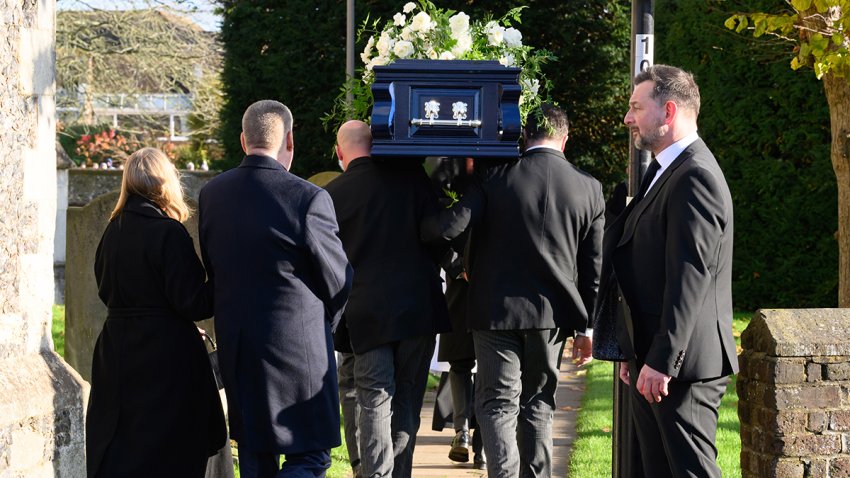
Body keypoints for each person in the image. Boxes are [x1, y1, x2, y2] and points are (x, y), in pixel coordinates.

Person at [421, 104, 604, 478]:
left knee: (497, 403)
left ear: (524, 137)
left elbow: (448, 228)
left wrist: (432, 235)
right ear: (564, 138)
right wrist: (587, 329)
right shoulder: (589, 188)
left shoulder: (494, 178)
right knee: (539, 402)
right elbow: (593, 269)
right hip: (551, 316)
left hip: (494, 312)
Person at [199, 100, 353, 478]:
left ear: (242, 140)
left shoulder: (212, 195)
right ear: (289, 141)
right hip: (298, 351)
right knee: (310, 457)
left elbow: (212, 266)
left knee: (255, 457)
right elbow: (338, 279)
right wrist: (324, 327)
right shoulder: (308, 198)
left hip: (239, 347)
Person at [612, 64, 738, 477]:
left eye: (635, 107)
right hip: (654, 360)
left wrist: (663, 359)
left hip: (682, 368)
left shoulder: (695, 175)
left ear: (668, 112)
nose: (628, 118)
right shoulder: (663, 169)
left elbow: (690, 277)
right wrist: (638, 350)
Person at [86, 147, 226, 478]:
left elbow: (105, 290)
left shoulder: (112, 231)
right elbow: (194, 302)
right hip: (165, 357)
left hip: (116, 352)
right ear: (166, 182)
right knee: (168, 453)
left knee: (125, 450)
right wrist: (222, 270)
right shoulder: (167, 232)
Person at [324, 120, 450, 478]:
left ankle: (376, 473)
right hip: (417, 310)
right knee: (408, 398)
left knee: (373, 398)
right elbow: (438, 234)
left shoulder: (331, 195)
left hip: (366, 315)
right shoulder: (412, 181)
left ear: (339, 152)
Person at [427, 157, 485, 469]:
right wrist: (457, 266)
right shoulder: (447, 176)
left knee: (471, 364)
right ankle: (475, 440)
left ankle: (467, 434)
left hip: (476, 283)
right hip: (471, 283)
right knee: (471, 363)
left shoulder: (446, 175)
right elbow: (435, 231)